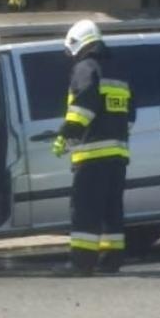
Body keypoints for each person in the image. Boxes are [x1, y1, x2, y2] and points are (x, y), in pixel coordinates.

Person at [52, 19, 135, 275]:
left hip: (92, 155)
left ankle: (81, 263)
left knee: (85, 209)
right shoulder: (117, 70)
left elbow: (83, 107)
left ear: (77, 43)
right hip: (118, 155)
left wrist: (66, 135)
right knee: (112, 210)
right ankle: (111, 260)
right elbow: (130, 115)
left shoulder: (85, 68)